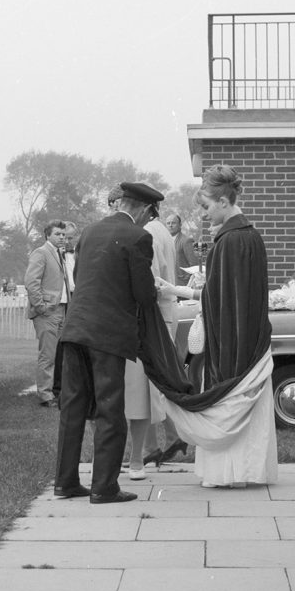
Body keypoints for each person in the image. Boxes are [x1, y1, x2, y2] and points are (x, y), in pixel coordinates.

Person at [157, 165, 277, 488]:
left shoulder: (229, 242)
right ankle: (248, 470)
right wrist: (179, 290)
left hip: (231, 349)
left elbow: (217, 300)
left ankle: (230, 473)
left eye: (207, 207)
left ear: (224, 201)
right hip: (252, 343)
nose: (205, 215)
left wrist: (176, 291)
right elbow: (225, 296)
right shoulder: (250, 237)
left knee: (226, 404)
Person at [54, 182, 162, 505]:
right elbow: (144, 294)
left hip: (74, 329)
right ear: (143, 209)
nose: (148, 221)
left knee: (72, 408)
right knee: (110, 408)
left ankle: (65, 482)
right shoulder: (139, 237)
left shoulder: (88, 232)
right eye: (150, 214)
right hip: (108, 334)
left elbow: (80, 277)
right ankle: (104, 486)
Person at [124, 200, 180, 480]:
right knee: (161, 381)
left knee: (146, 386)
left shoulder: (147, 233)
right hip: (168, 311)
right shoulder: (162, 230)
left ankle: (153, 446)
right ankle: (169, 438)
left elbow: (151, 279)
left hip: (155, 315)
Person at [24, 219, 70, 407]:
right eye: (58, 234)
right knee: (48, 355)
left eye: (63, 235)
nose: (62, 237)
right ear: (48, 235)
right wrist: (41, 306)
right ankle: (45, 395)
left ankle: (53, 392)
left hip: (61, 311)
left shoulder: (60, 254)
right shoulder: (41, 253)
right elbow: (31, 281)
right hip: (48, 312)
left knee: (57, 355)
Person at [165, 213, 200, 287]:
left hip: (183, 284)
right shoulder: (165, 241)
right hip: (169, 283)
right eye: (168, 223)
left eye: (173, 223)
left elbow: (194, 265)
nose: (170, 225)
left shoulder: (186, 241)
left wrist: (187, 281)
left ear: (180, 225)